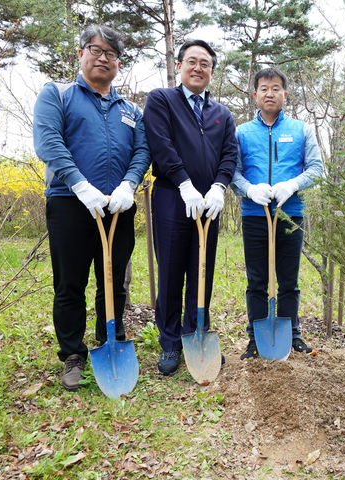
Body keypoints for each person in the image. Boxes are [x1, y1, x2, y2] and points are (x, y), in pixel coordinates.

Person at [33, 25, 150, 391]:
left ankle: (110, 339)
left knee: (114, 282)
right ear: (81, 54)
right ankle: (72, 353)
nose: (103, 58)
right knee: (70, 283)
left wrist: (130, 184)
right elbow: (48, 140)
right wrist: (79, 184)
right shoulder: (59, 94)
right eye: (96, 50)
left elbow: (142, 150)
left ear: (119, 64)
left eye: (111, 54)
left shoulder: (130, 109)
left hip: (119, 206)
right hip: (70, 204)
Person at [143, 39, 238, 375]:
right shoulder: (161, 100)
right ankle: (170, 342)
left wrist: (218, 186)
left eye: (205, 64)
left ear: (212, 71)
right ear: (180, 65)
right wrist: (184, 183)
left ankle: (195, 332)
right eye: (192, 61)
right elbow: (161, 144)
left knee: (202, 269)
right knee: (170, 270)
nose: (198, 68)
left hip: (208, 203)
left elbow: (229, 154)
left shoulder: (221, 114)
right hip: (172, 197)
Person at [231, 67, 324, 360]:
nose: (269, 93)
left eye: (275, 88)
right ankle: (255, 339)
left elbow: (316, 169)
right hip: (254, 216)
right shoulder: (242, 132)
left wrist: (292, 185)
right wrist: (248, 190)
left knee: (289, 280)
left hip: (290, 214)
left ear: (284, 94)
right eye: (263, 88)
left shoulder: (301, 130)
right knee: (257, 281)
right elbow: (232, 172)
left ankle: (292, 334)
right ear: (255, 94)